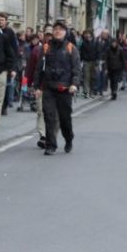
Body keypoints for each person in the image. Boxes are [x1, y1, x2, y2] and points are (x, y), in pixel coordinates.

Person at [35, 19, 81, 155]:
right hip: (49, 88)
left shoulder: (71, 48)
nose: (57, 32)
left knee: (65, 118)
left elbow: (76, 69)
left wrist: (74, 84)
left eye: (60, 29)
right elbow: (39, 69)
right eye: (55, 29)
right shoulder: (46, 48)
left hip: (65, 89)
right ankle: (51, 145)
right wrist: (37, 86)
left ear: (65, 32)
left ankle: (69, 139)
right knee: (49, 116)